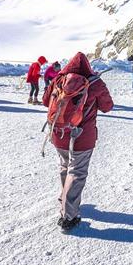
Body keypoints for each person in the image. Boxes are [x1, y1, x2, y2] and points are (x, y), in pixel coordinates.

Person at [42, 51, 114, 232]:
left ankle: (65, 199)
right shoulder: (95, 83)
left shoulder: (58, 79)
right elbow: (108, 107)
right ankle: (69, 216)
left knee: (65, 167)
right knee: (77, 171)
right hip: (82, 137)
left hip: (58, 134)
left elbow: (45, 101)